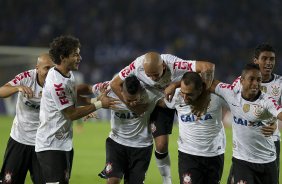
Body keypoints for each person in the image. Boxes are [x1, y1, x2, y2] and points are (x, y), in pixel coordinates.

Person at [110, 52, 214, 184]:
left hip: (183, 96)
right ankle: (167, 180)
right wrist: (131, 107)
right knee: (161, 144)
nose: (153, 78)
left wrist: (202, 97)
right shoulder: (137, 65)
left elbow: (208, 67)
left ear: (164, 66)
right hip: (160, 102)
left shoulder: (174, 64)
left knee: (199, 136)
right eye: (149, 75)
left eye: (156, 75)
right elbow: (114, 84)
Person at [35, 35, 118, 184]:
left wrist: (94, 96)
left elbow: (73, 93)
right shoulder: (57, 84)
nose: (80, 57)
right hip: (51, 145)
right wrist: (99, 105)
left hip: (63, 143)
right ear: (63, 57)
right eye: (75, 54)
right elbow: (71, 114)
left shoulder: (67, 74)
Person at [210, 63, 281, 184]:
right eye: (251, 79)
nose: (255, 83)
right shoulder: (231, 93)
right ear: (241, 81)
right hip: (242, 161)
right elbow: (206, 83)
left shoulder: (267, 101)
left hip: (267, 161)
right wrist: (175, 85)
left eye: (258, 80)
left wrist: (274, 122)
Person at [157, 72, 227, 184]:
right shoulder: (176, 96)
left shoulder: (216, 96)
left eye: (189, 94)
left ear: (200, 90)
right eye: (183, 93)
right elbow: (157, 102)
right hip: (188, 155)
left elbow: (237, 104)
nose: (184, 98)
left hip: (214, 153)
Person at [91, 75, 162, 184]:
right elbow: (86, 89)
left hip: (142, 146)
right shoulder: (109, 89)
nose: (132, 104)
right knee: (113, 181)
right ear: (121, 91)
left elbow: (171, 98)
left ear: (140, 91)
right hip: (117, 142)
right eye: (128, 100)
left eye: (135, 100)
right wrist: (96, 102)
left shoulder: (151, 93)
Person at [227, 43, 281, 184]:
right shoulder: (241, 81)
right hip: (244, 148)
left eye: (272, 59)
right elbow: (232, 99)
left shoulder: (280, 83)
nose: (269, 62)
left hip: (271, 142)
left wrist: (275, 122)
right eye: (264, 58)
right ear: (255, 60)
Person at [0, 53, 54, 184]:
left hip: (43, 144)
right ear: (37, 67)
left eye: (53, 68)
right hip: (19, 139)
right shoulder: (26, 77)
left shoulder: (57, 82)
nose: (50, 72)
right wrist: (17, 87)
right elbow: (2, 91)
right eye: (47, 68)